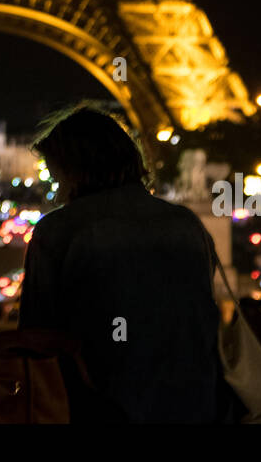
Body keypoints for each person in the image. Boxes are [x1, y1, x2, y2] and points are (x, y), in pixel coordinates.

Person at [17, 102, 226, 423]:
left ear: (75, 170)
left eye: (58, 179)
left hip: (94, 405)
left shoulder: (60, 229)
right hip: (191, 403)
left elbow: (36, 335)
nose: (58, 195)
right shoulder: (186, 224)